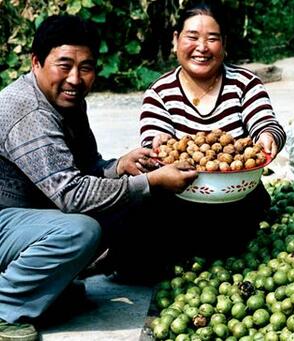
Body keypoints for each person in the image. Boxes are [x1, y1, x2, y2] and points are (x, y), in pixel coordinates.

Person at [0, 14, 198, 340]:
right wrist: (150, 182)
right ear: (36, 63)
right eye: (64, 66)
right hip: (7, 220)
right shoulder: (29, 110)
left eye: (86, 68)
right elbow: (72, 195)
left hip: (26, 218)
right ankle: (5, 306)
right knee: (80, 230)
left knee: (127, 204)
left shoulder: (68, 101)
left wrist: (120, 165)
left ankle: (46, 287)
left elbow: (84, 168)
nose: (75, 79)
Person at [138, 1, 286, 260]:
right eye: (192, 37)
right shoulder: (159, 92)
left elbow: (266, 122)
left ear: (224, 44)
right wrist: (157, 143)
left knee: (235, 249)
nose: (202, 48)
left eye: (212, 39)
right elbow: (155, 136)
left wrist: (267, 136)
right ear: (176, 40)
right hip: (180, 203)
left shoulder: (245, 84)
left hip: (239, 201)